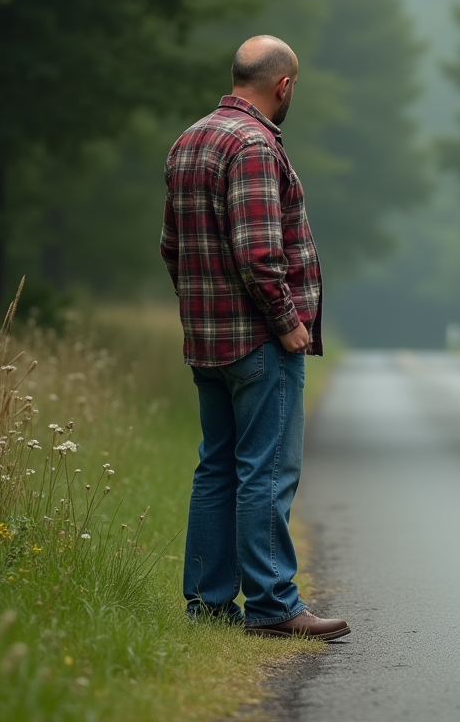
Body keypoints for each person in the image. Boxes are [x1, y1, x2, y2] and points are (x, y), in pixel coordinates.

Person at [160, 35, 348, 641]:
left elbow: (172, 247)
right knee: (265, 472)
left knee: (217, 467)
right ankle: (272, 606)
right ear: (283, 85)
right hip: (259, 342)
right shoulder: (254, 145)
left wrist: (198, 308)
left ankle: (209, 604)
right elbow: (259, 253)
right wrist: (289, 324)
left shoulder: (189, 140)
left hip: (206, 340)